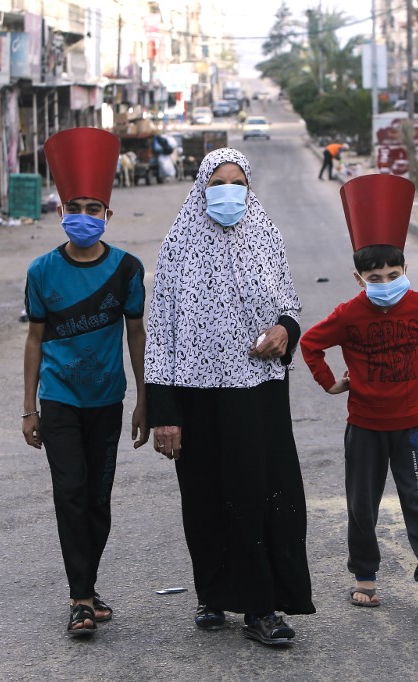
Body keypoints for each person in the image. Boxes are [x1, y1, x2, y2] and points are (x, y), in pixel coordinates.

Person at [144, 147, 315, 646]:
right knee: (204, 497)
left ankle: (262, 608)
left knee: (259, 494)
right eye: (217, 183)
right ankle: (213, 593)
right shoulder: (179, 243)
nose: (228, 192)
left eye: (237, 183)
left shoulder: (267, 235)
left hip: (257, 392)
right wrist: (164, 413)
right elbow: (161, 334)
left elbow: (289, 304)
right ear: (201, 188)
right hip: (195, 394)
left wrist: (285, 330)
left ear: (249, 188)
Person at [300, 174, 418, 616]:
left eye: (394, 274)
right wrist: (329, 382)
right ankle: (364, 577)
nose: (386, 282)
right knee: (361, 506)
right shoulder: (348, 314)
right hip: (366, 426)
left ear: (405, 270)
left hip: (415, 423)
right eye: (376, 277)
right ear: (359, 279)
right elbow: (310, 343)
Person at [22, 128, 149, 638]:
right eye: (75, 208)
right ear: (61, 212)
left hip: (107, 400)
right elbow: (34, 340)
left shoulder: (127, 270)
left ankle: (89, 589)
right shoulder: (41, 272)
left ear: (107, 215)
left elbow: (136, 335)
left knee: (98, 499)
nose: (84, 216)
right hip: (58, 401)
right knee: (70, 493)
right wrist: (28, 408)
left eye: (93, 208)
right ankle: (80, 599)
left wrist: (145, 399)